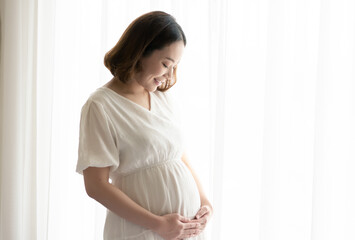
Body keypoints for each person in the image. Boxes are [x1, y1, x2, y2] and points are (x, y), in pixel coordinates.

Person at [76, 11, 212, 240]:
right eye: (166, 64)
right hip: (142, 231)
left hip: (184, 231)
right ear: (140, 52)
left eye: (175, 66)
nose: (170, 75)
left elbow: (180, 156)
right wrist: (158, 224)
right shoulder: (100, 106)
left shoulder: (162, 99)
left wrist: (204, 201)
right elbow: (96, 185)